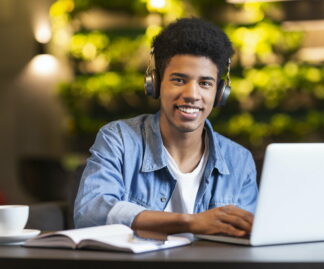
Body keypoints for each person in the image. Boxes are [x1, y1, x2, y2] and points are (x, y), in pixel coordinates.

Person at [74, 18, 258, 237]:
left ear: (220, 93)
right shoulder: (119, 140)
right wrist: (189, 222)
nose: (191, 95)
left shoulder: (239, 160)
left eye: (205, 83)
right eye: (179, 80)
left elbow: (250, 236)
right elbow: (89, 213)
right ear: (156, 83)